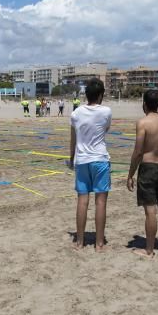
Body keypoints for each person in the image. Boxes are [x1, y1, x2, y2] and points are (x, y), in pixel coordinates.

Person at [125, 89, 158, 256]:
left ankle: (149, 250)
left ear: (144, 104)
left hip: (148, 167)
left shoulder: (143, 123)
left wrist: (130, 174)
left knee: (150, 210)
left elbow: (138, 151)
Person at [69, 78, 112, 251]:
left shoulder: (76, 113)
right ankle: (99, 243)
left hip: (82, 160)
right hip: (100, 159)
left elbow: (73, 138)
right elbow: (105, 129)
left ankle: (79, 241)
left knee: (82, 200)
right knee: (101, 202)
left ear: (86, 95)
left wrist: (72, 158)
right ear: (101, 95)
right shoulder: (106, 111)